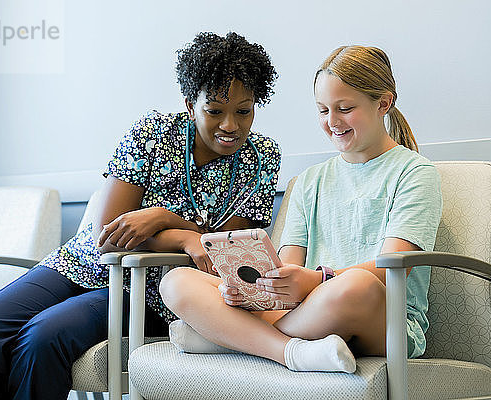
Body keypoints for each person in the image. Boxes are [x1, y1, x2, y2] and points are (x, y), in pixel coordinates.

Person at [0, 31, 281, 399]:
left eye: (244, 110)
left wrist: (158, 218)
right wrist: (185, 233)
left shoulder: (261, 157)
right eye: (214, 110)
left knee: (42, 338)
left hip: (152, 290)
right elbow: (107, 234)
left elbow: (219, 252)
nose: (230, 125)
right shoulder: (153, 132)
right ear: (190, 105)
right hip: (80, 264)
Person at [160, 45, 443, 373]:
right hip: (305, 312)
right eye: (323, 111)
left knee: (356, 286)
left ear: (383, 103)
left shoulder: (415, 174)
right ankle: (288, 352)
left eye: (345, 108)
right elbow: (287, 268)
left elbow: (393, 268)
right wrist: (258, 290)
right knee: (178, 281)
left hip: (382, 319)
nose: (332, 122)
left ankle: (224, 337)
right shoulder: (309, 181)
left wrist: (316, 279)